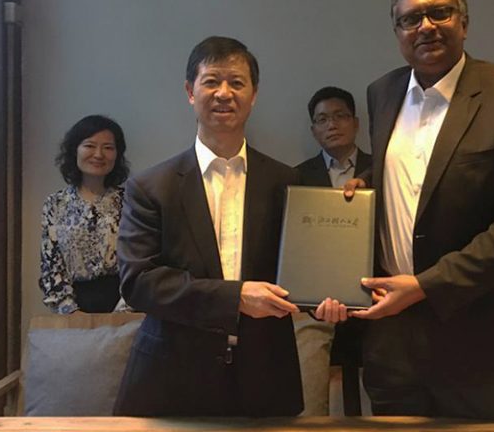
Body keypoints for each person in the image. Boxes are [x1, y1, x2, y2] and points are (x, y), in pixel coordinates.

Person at [318, 0, 494, 419]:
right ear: (397, 31)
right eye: (410, 19)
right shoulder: (382, 92)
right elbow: (417, 178)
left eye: (439, 13)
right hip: (392, 337)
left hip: (482, 337)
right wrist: (368, 190)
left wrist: (427, 286)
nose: (425, 26)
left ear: (464, 22)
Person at [113, 36, 302, 417]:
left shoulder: (287, 182)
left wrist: (331, 295)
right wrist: (235, 298)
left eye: (237, 82)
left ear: (254, 94)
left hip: (265, 378)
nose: (224, 93)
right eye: (211, 81)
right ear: (190, 91)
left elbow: (304, 272)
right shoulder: (151, 186)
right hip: (172, 379)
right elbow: (139, 282)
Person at [294, 86, 370, 415]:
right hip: (317, 298)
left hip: (375, 291)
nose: (332, 125)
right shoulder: (296, 176)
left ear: (356, 123)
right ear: (313, 129)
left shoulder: (383, 168)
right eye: (322, 119)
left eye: (340, 116)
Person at [39, 115, 129, 314]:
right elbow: (51, 266)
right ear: (75, 150)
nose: (99, 154)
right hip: (72, 311)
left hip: (125, 309)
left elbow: (140, 262)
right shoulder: (56, 204)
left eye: (108, 147)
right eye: (89, 146)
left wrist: (121, 313)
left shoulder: (132, 202)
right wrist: (70, 312)